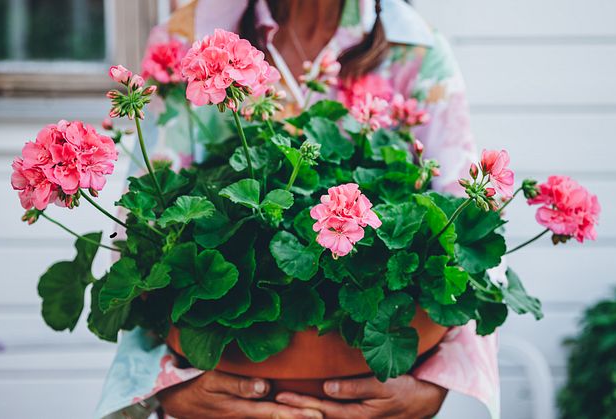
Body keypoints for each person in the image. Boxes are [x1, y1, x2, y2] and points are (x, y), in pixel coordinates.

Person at [95, 1, 500, 418]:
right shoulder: (188, 37)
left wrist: (431, 388)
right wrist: (166, 386)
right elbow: (138, 236)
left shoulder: (417, 51)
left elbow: (470, 220)